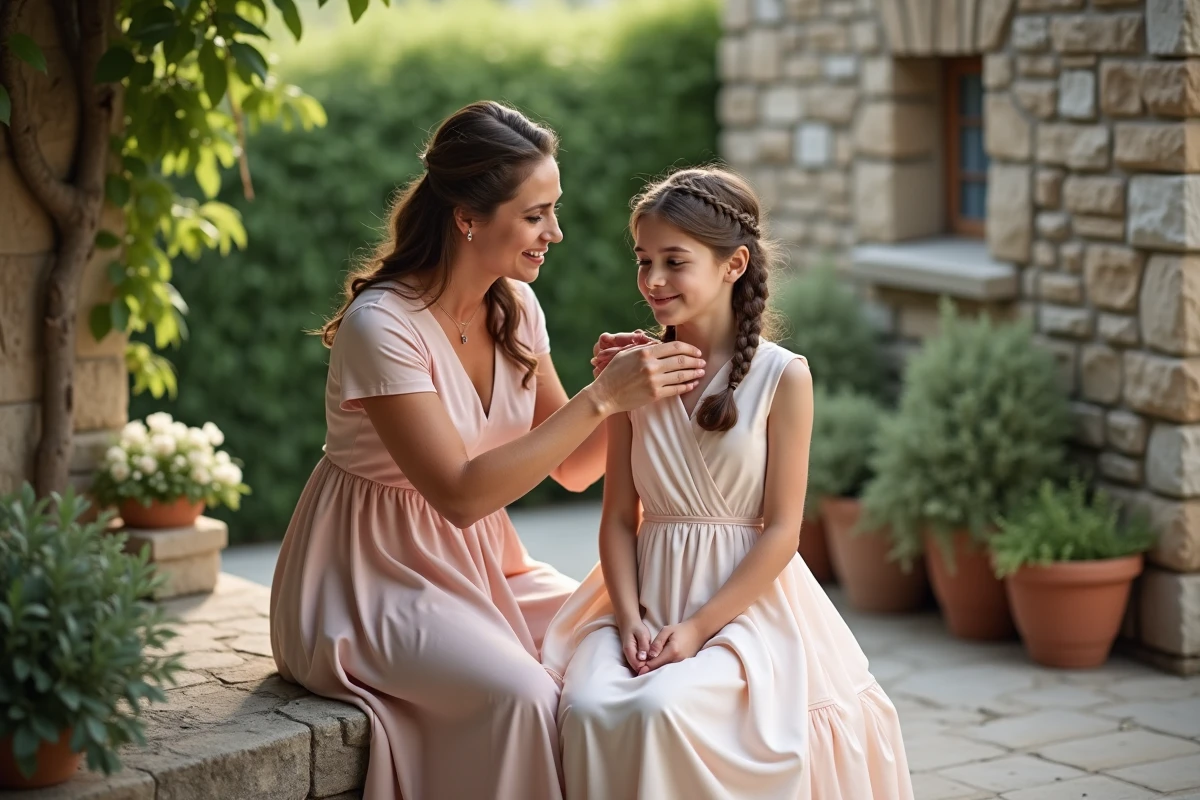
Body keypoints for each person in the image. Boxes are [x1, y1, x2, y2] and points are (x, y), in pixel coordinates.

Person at [268, 100, 707, 800]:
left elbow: (572, 468)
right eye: (536, 215)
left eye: (553, 211)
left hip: (483, 566)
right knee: (524, 696)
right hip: (369, 579)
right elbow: (461, 494)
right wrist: (600, 400)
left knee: (621, 649)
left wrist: (636, 385)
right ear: (468, 218)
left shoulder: (516, 308)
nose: (554, 233)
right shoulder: (380, 327)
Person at [542, 166, 915, 799]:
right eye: (643, 261)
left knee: (664, 710)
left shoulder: (782, 378)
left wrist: (696, 630)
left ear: (733, 264)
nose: (653, 281)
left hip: (744, 611)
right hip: (646, 601)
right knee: (592, 704)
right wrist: (630, 618)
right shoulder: (636, 376)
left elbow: (783, 532)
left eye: (674, 261)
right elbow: (615, 519)